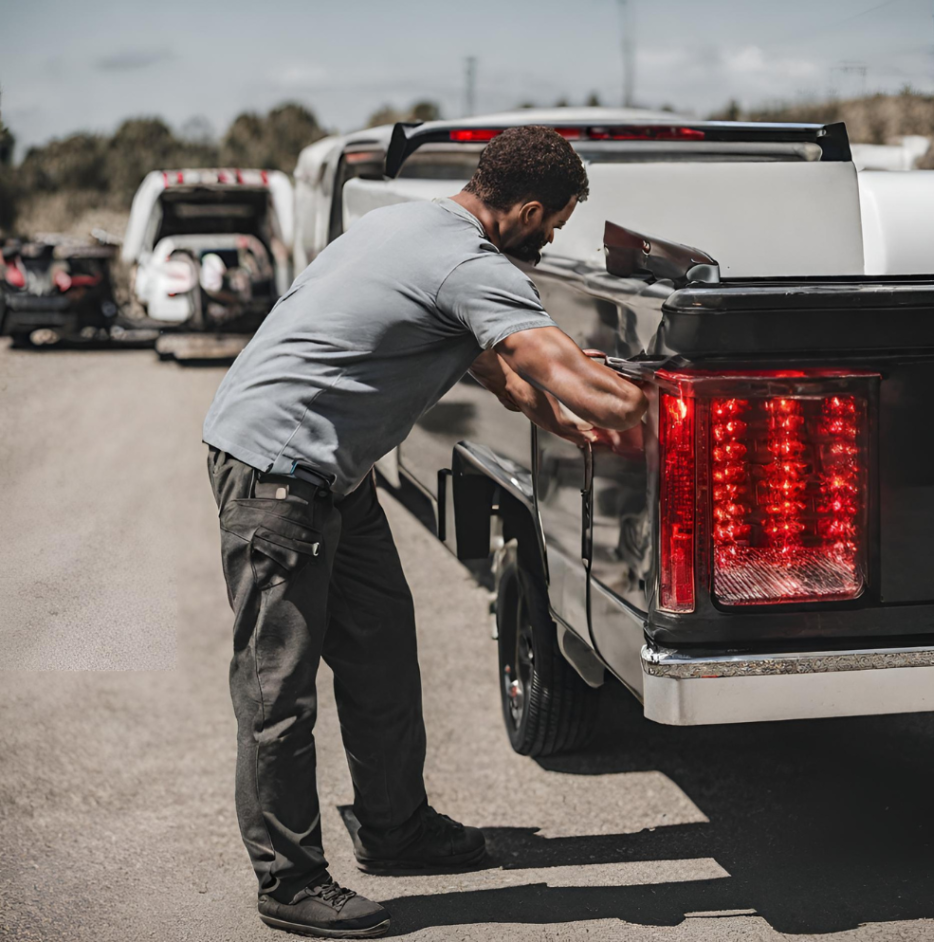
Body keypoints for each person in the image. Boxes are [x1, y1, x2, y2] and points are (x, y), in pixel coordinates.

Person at [203, 125, 647, 939]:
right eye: (552, 224)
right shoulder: (467, 263)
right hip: (277, 472)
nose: (551, 240)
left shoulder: (411, 226)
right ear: (526, 208)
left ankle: (395, 829)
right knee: (279, 692)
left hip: (331, 470)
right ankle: (290, 881)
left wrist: (562, 422)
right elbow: (576, 376)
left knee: (380, 649)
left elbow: (499, 373)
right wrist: (644, 402)